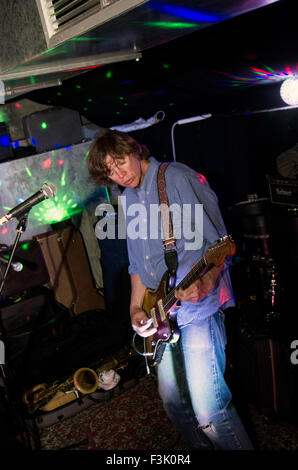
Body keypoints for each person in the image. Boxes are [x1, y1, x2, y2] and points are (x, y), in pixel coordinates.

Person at [87, 129, 254, 450]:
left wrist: (206, 282)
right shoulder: (126, 196)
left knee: (210, 411)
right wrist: (136, 308)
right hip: (161, 313)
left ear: (135, 150)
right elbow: (137, 265)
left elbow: (222, 244)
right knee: (173, 404)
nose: (118, 174)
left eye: (119, 162)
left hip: (197, 311)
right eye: (109, 171)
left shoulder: (175, 178)